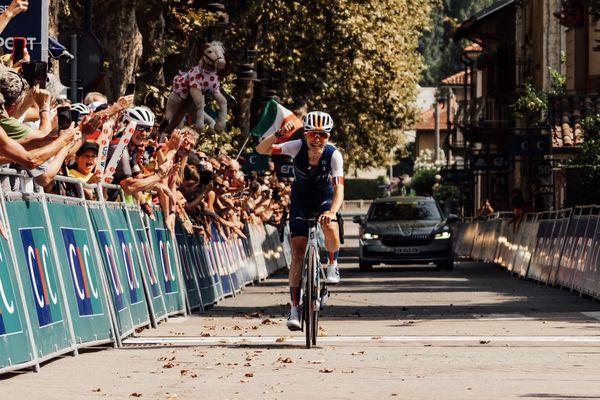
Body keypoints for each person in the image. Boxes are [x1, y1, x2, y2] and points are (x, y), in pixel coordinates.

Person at [257, 111, 344, 331]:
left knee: (330, 225)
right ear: (305, 134)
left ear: (329, 136)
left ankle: (333, 263)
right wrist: (278, 134)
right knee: (297, 251)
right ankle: (295, 308)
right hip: (301, 199)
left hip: (324, 198)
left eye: (323, 135)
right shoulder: (295, 147)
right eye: (313, 134)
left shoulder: (334, 155)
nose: (317, 139)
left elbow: (339, 189)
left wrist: (333, 211)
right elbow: (262, 150)